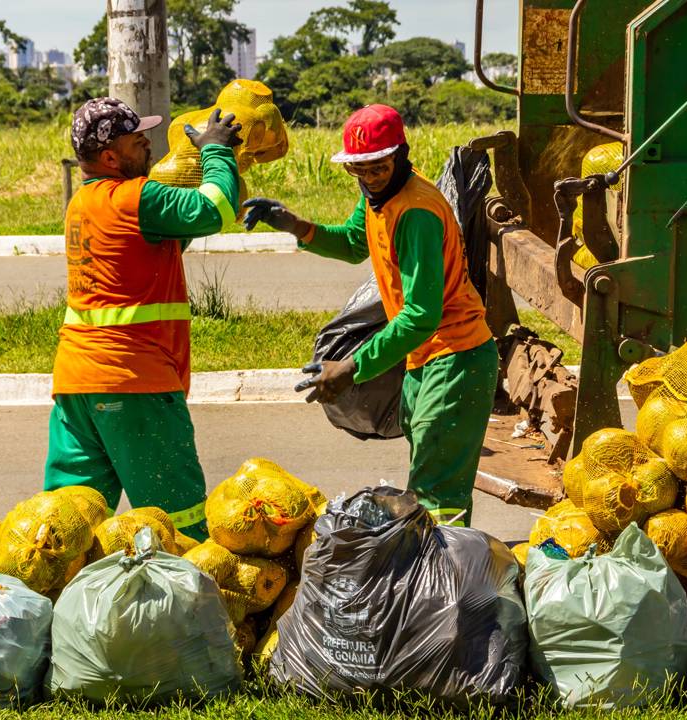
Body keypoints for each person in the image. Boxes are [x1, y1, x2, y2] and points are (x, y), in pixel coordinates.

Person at [244, 104, 497, 527]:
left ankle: (448, 584)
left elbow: (419, 316)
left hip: (456, 359)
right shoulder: (378, 197)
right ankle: (434, 576)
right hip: (424, 360)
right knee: (427, 487)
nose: (368, 177)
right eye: (358, 169)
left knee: (439, 500)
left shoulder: (416, 212)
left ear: (401, 155)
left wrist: (352, 367)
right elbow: (352, 243)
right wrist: (295, 225)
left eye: (378, 167)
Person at [44, 97, 244, 541]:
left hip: (77, 386)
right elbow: (216, 210)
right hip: (134, 382)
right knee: (179, 519)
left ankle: (61, 602)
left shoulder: (85, 203)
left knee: (67, 528)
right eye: (138, 142)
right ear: (111, 157)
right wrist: (216, 152)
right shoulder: (135, 198)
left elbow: (154, 252)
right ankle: (191, 603)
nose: (149, 147)